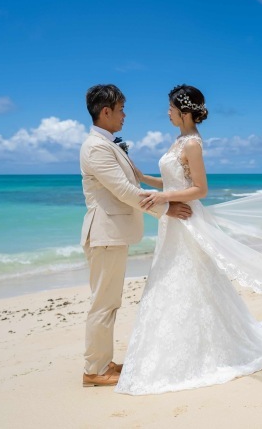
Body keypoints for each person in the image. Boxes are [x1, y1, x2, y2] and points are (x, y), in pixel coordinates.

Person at [115, 84, 262, 395]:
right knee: (173, 277)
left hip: (186, 218)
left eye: (171, 108)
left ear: (185, 112)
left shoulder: (193, 144)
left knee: (193, 277)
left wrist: (164, 197)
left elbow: (200, 189)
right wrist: (144, 179)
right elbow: (175, 180)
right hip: (173, 220)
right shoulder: (178, 141)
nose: (168, 113)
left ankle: (208, 347)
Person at [79, 84, 192, 387]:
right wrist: (165, 208)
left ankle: (102, 362)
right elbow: (124, 191)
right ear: (106, 112)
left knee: (109, 301)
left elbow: (130, 183)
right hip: (104, 234)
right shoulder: (96, 147)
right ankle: (94, 370)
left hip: (111, 235)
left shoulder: (108, 144)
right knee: (103, 303)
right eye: (120, 110)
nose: (124, 115)